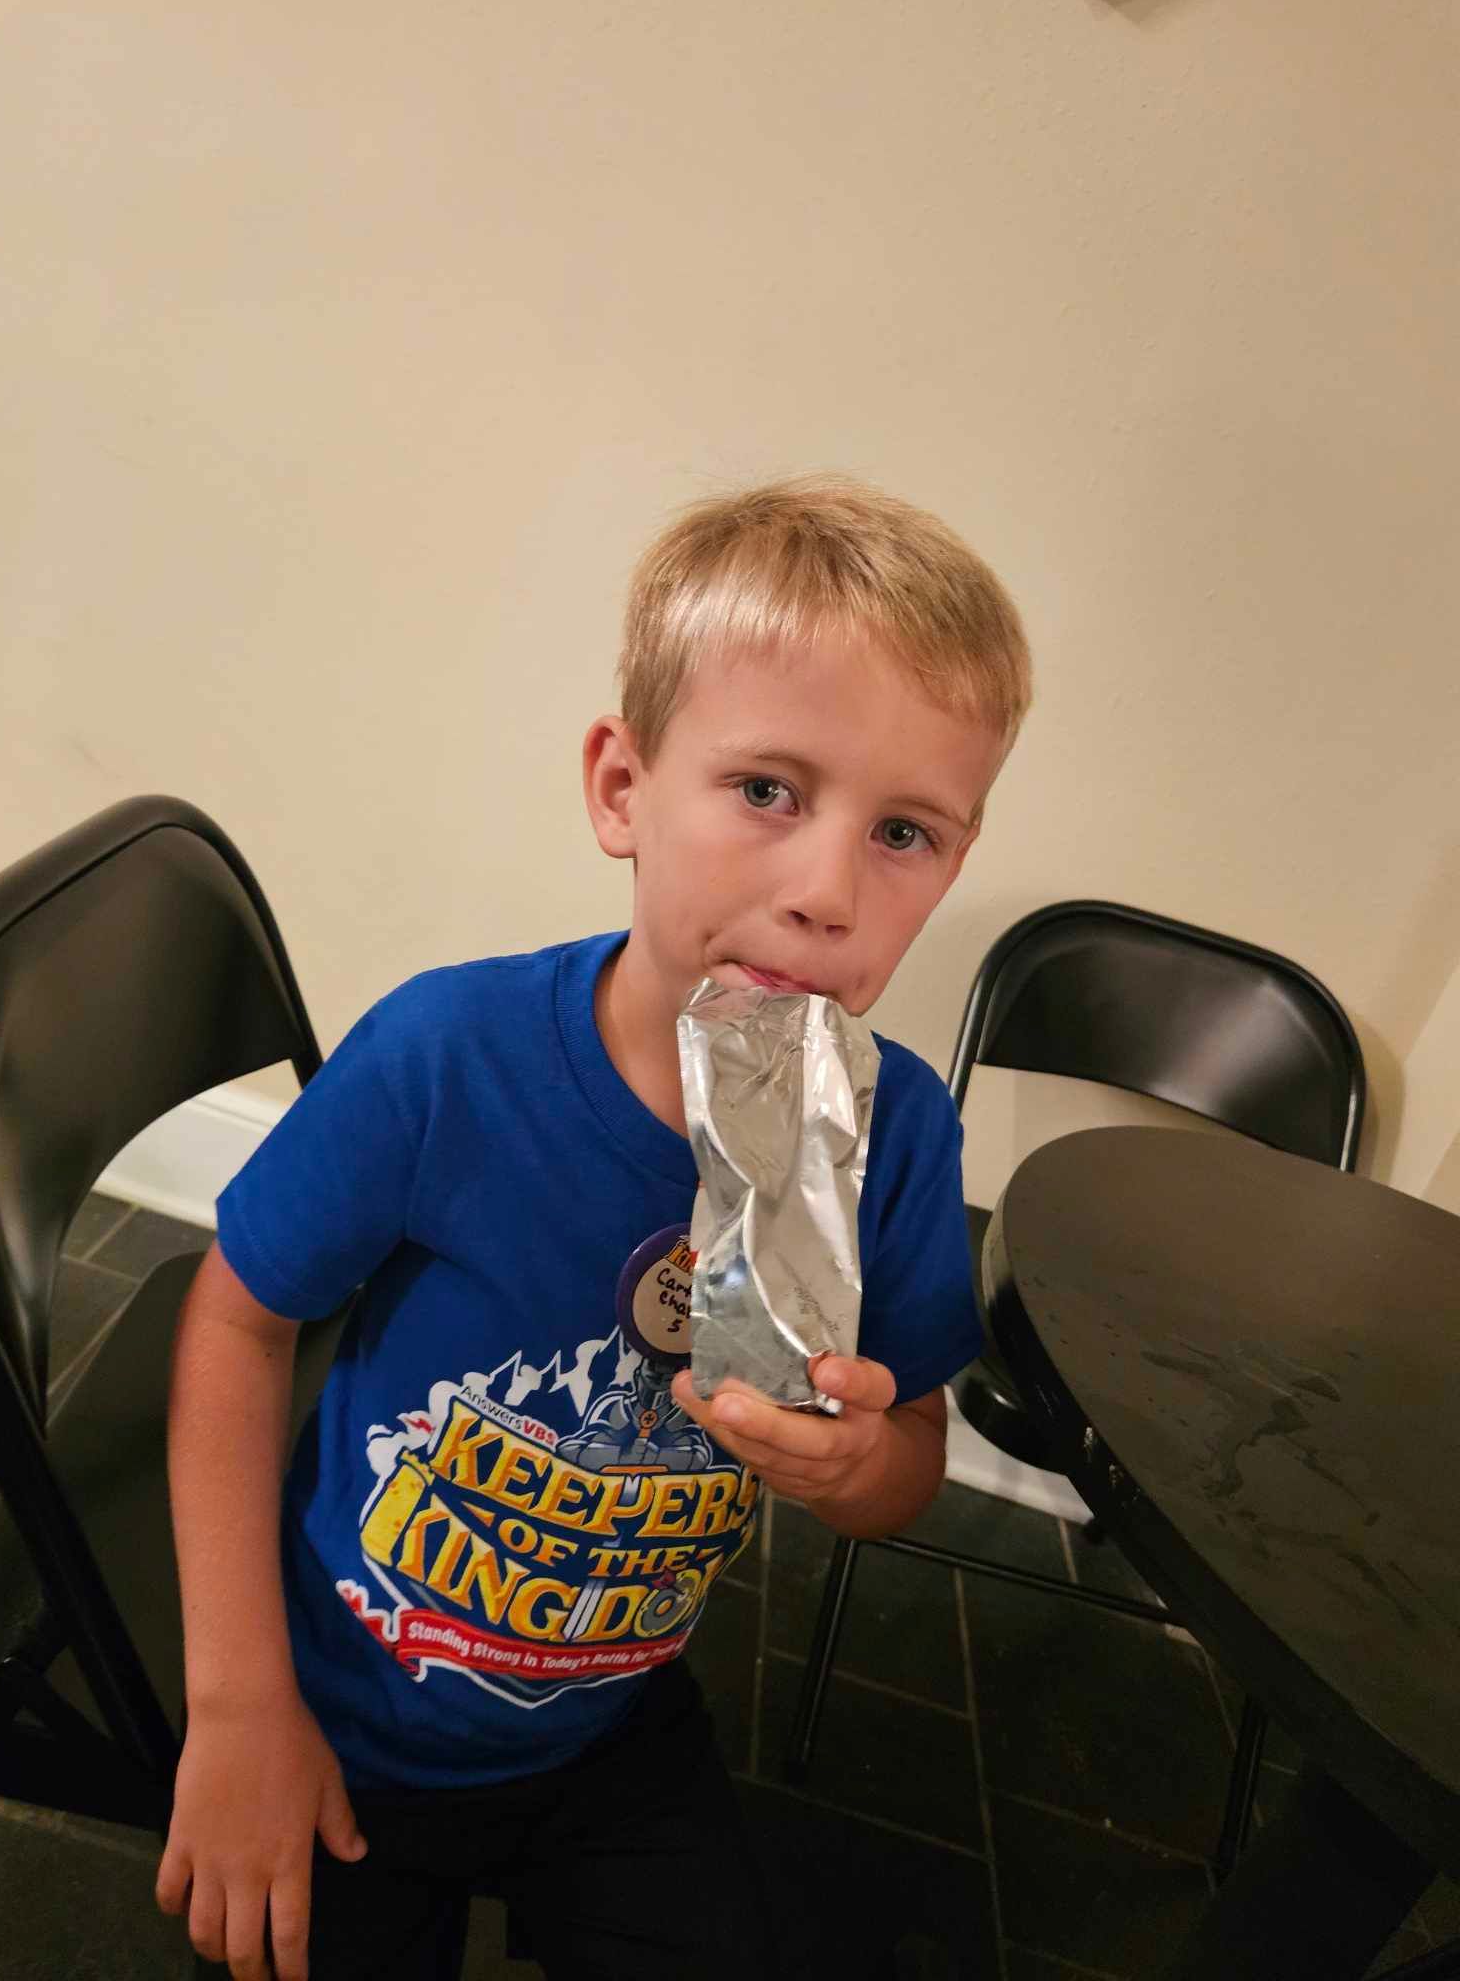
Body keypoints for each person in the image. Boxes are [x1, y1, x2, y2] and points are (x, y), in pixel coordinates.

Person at [154, 475, 1034, 1981]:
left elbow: (907, 1470)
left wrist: (857, 1462)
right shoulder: (447, 1061)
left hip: (616, 1716)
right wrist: (240, 1707)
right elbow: (239, 1317)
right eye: (768, 790)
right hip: (349, 1699)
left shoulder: (899, 1144)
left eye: (906, 831)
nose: (827, 892)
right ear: (623, 791)